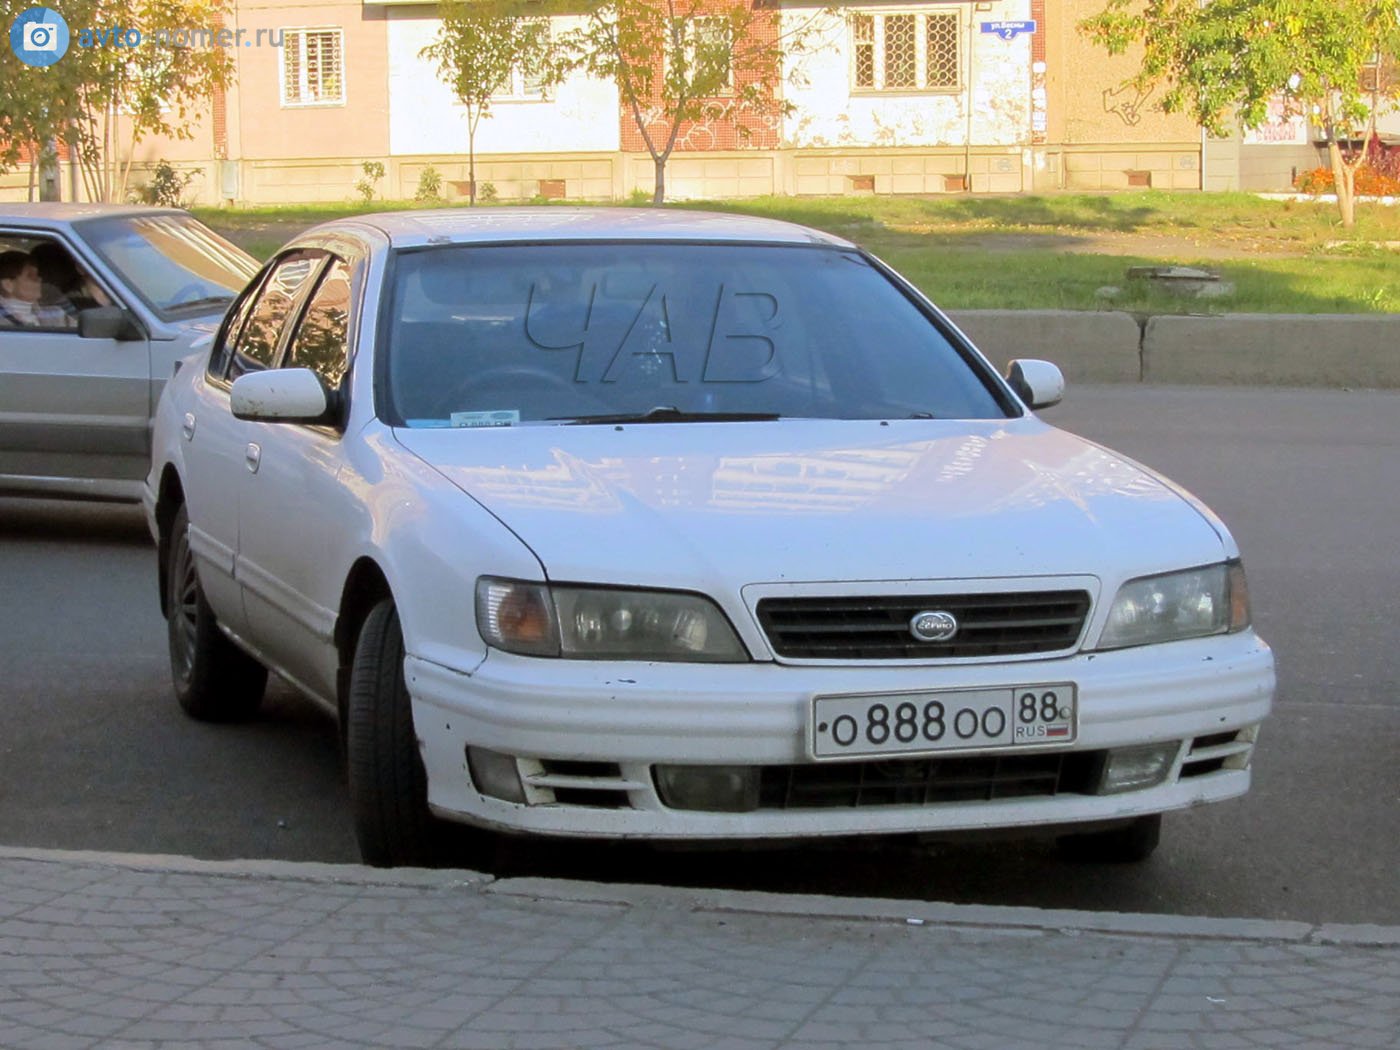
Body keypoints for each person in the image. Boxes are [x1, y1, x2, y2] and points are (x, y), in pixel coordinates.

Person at [0, 250, 75, 328]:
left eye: (38, 275)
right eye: (32, 276)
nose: (39, 279)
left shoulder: (56, 314)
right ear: (8, 285)